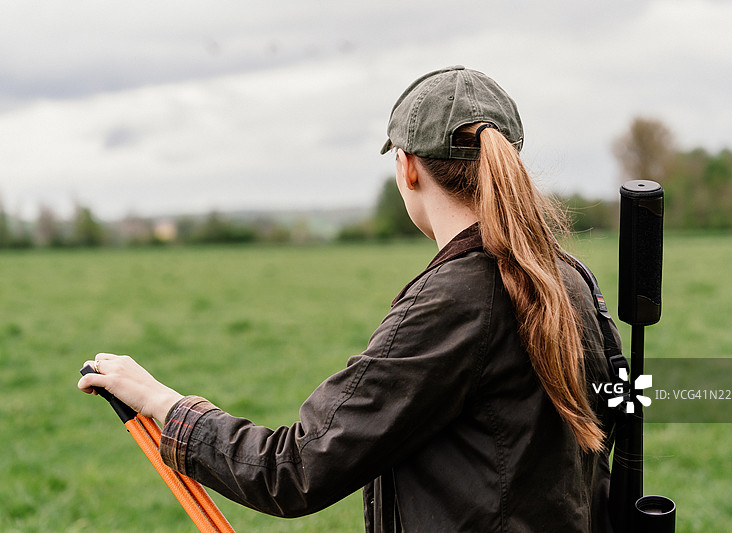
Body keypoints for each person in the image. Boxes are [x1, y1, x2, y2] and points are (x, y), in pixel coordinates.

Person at [78, 65, 620, 532]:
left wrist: (164, 405)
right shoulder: (566, 278)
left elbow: (292, 470)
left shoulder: (454, 302)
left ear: (408, 167)